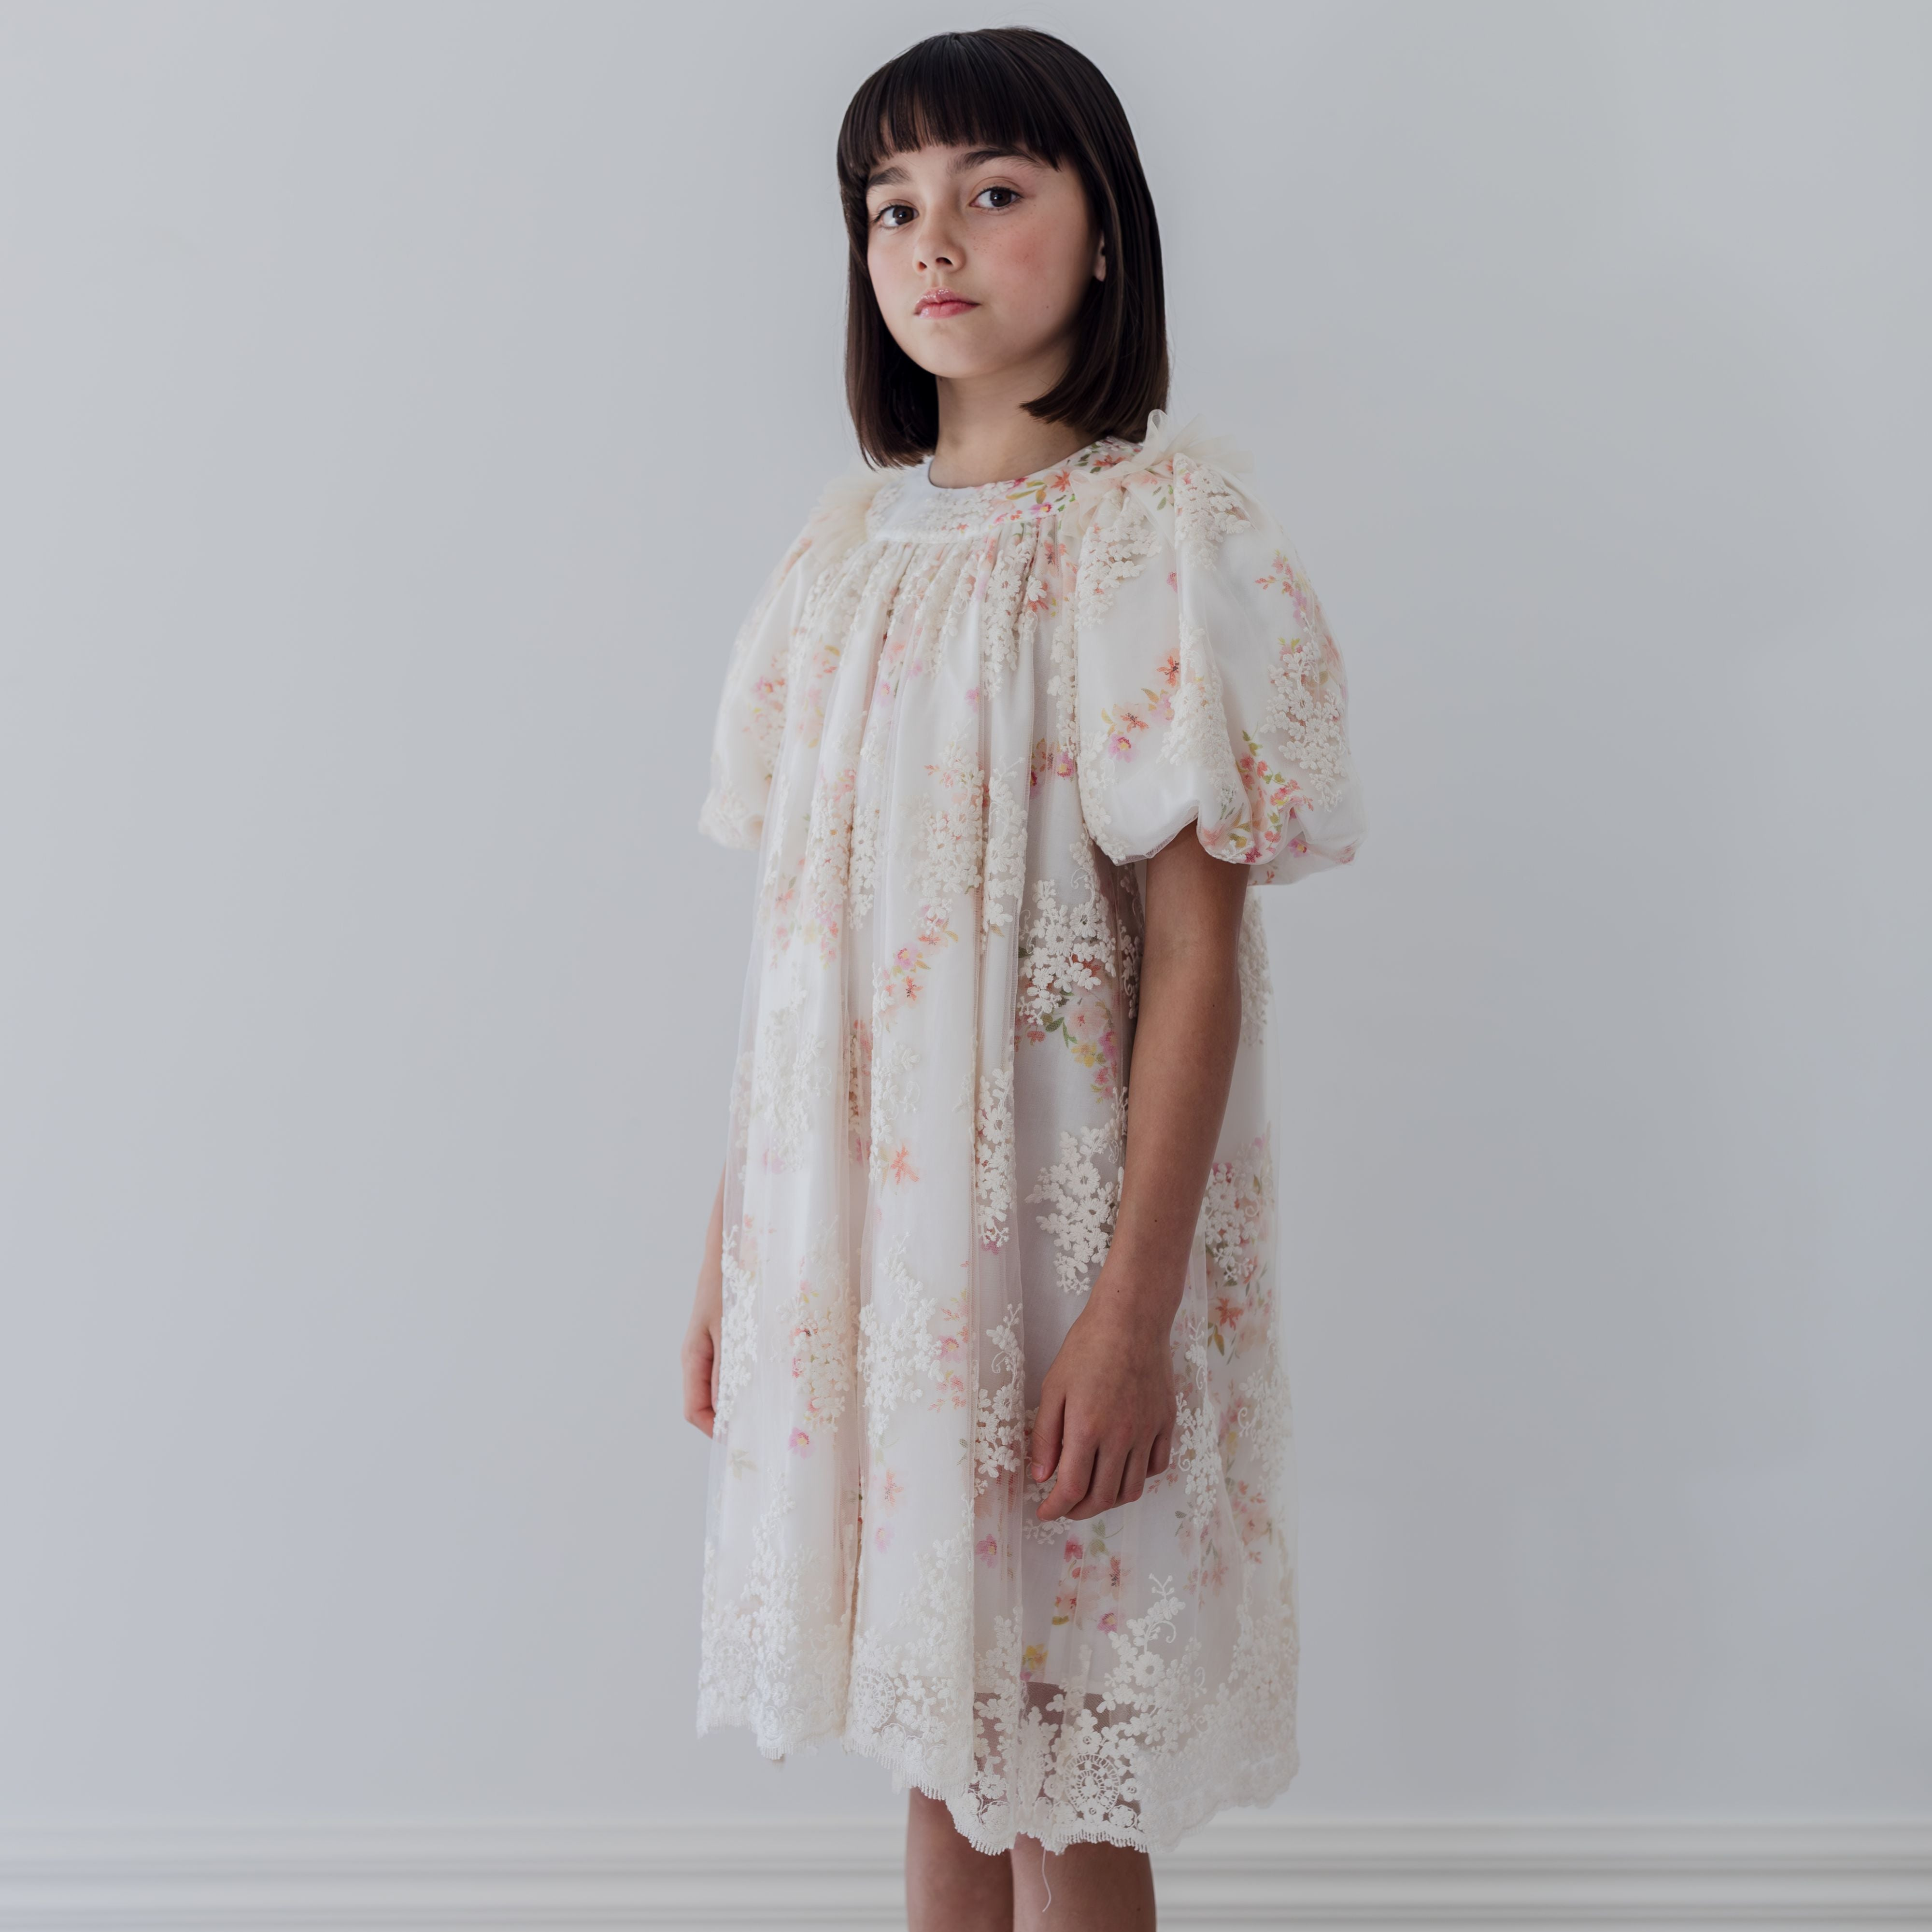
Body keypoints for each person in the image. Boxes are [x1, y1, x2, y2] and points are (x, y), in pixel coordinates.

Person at [682, 27, 1365, 1929]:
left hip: (1062, 1263)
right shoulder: (840, 562)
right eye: (890, 204)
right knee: (944, 1756)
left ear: (1105, 231)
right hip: (875, 1270)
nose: (934, 240)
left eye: (993, 192)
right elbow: (801, 964)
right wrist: (734, 1247)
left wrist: (1133, 1310)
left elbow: (1199, 955)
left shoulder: (1156, 543)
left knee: (1062, 1755)